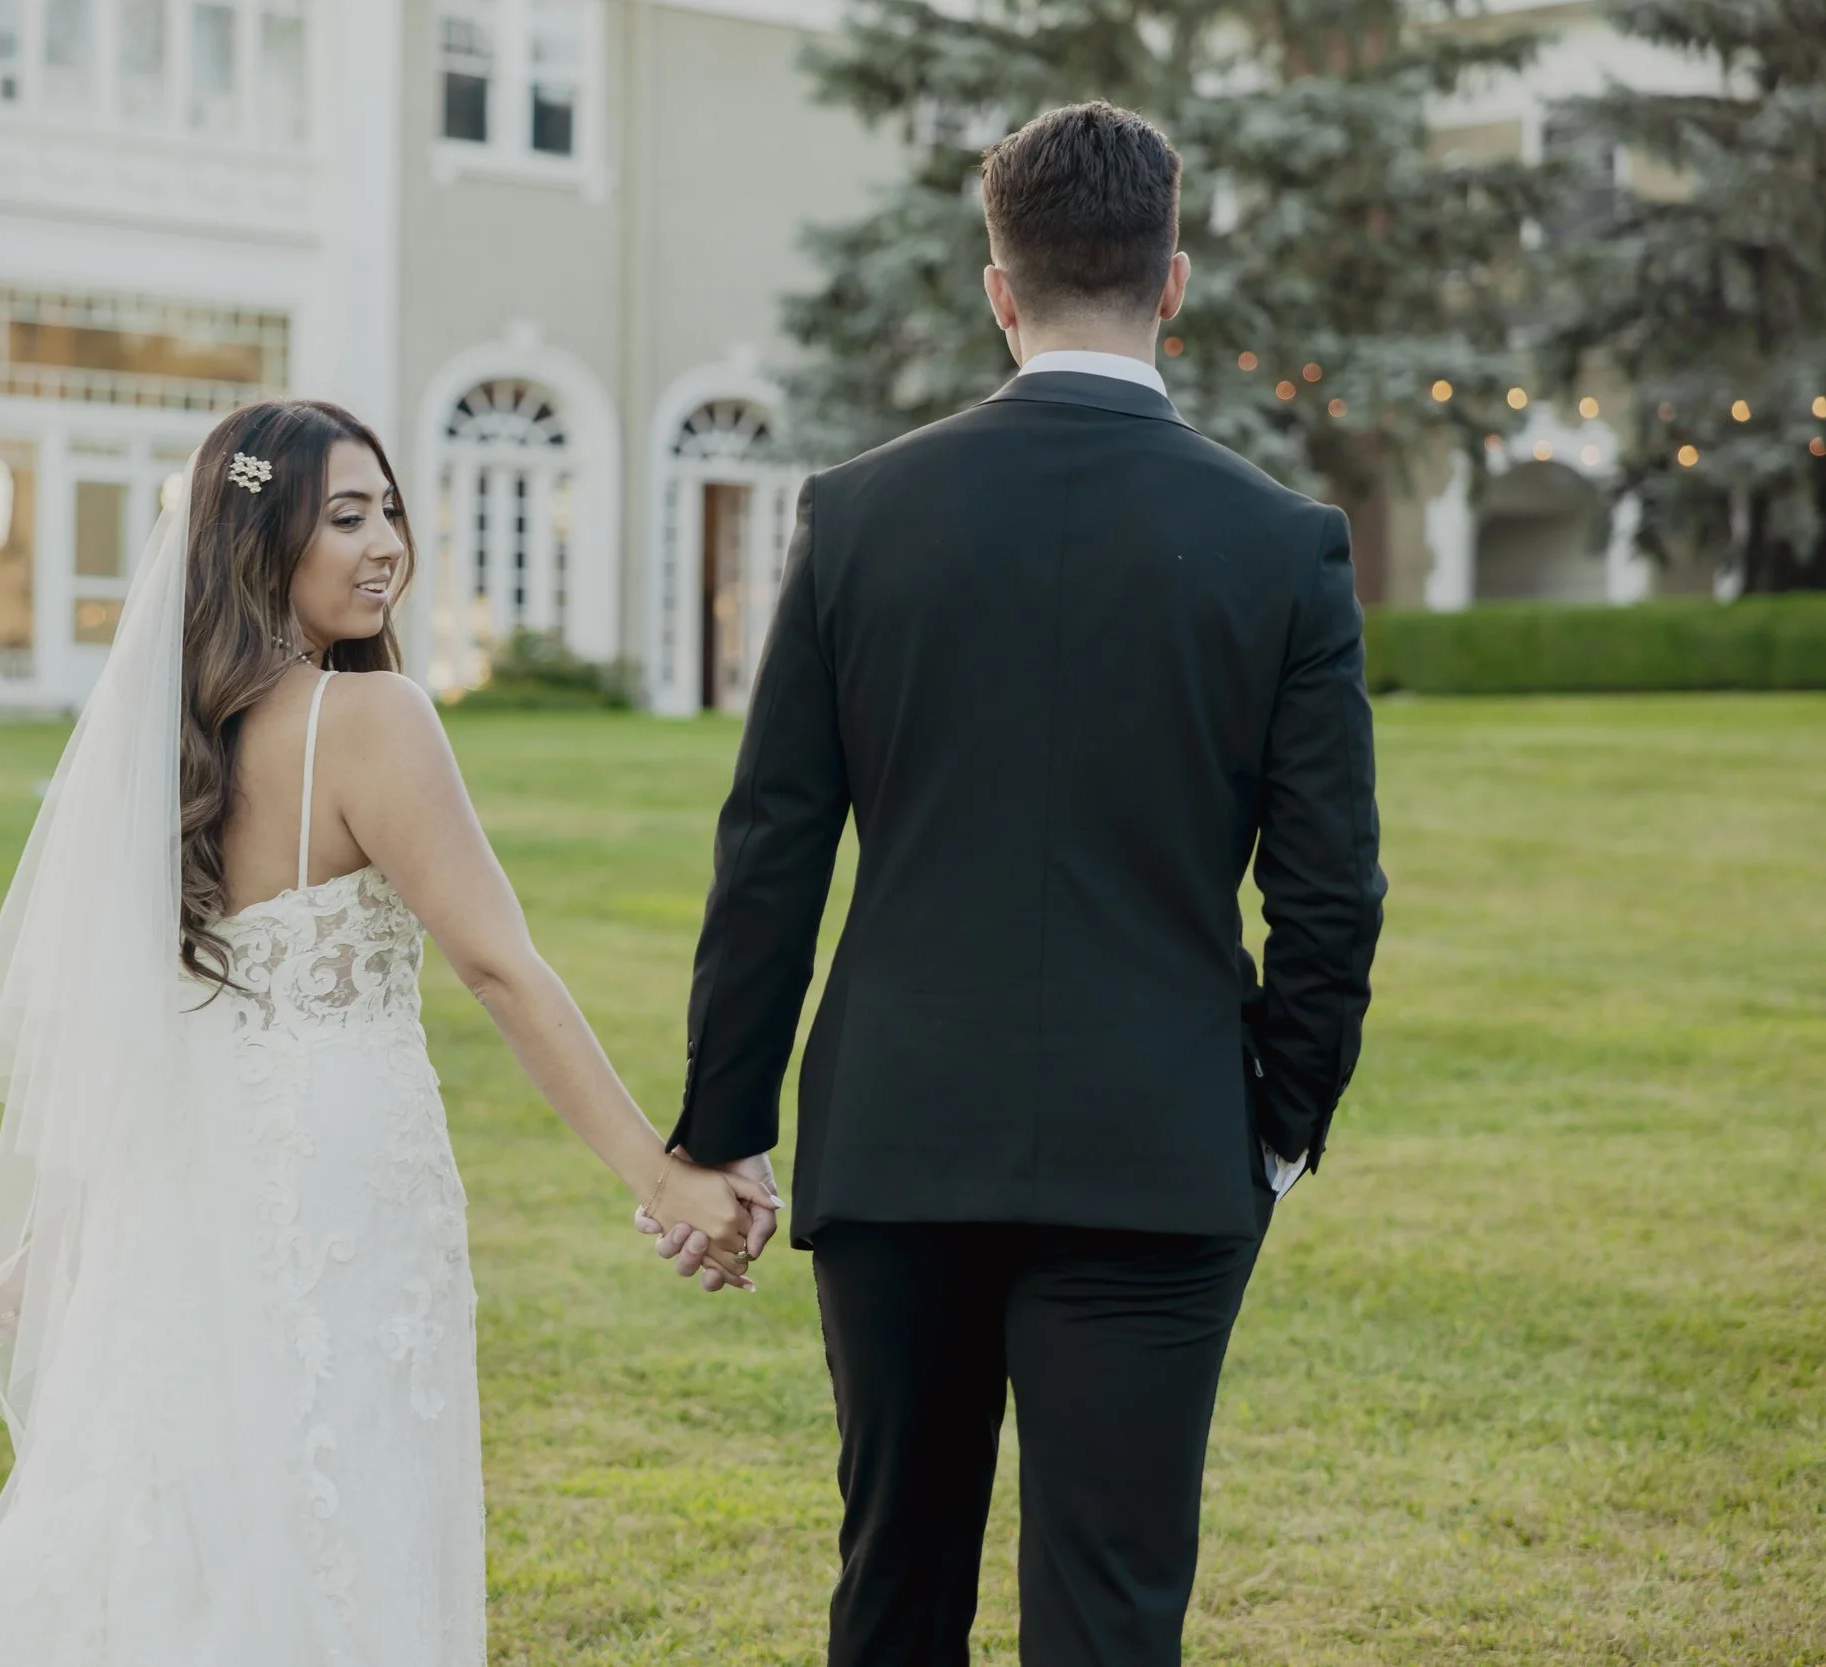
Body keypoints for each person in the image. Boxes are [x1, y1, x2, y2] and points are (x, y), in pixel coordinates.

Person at [642, 102, 1386, 1665]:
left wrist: (722, 1121)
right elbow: (1331, 895)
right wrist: (1276, 1125)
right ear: (1172, 282)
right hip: (1160, 1143)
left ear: (1000, 287)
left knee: (895, 1588)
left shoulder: (856, 516)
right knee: (1113, 1615)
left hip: (901, 1137)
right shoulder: (1284, 545)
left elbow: (771, 841)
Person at [0, 400, 777, 1665]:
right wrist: (661, 1172)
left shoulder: (177, 741)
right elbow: (498, 965)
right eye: (344, 518)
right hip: (341, 1186)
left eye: (390, 510)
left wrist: (61, 1231)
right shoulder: (375, 719)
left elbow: (152, 1027)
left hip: (195, 1180)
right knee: (337, 1491)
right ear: (261, 544)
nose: (385, 546)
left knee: (189, 1498)